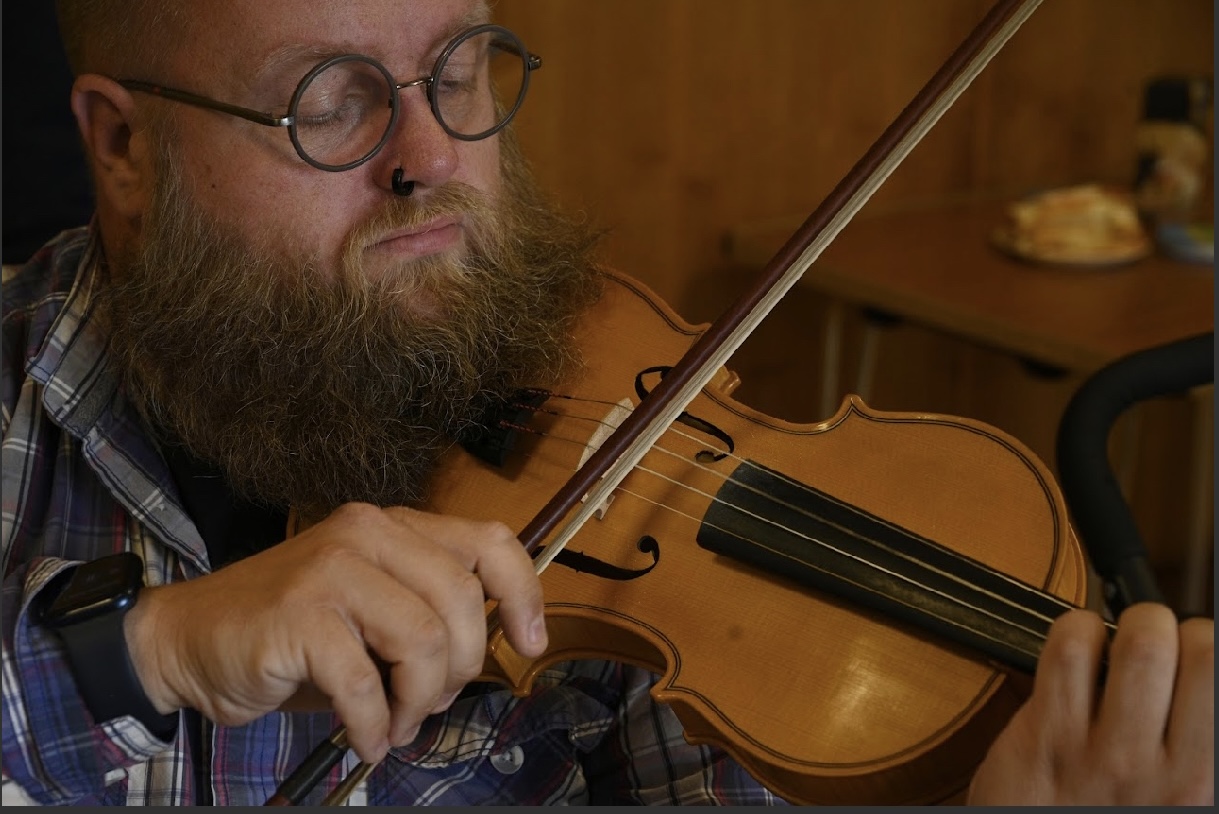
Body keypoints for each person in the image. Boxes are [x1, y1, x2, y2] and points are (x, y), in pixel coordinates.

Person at [1, 0, 1211, 806]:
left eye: (459, 72)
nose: (428, 158)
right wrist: (140, 654)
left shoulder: (604, 417)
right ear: (123, 147)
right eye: (327, 103)